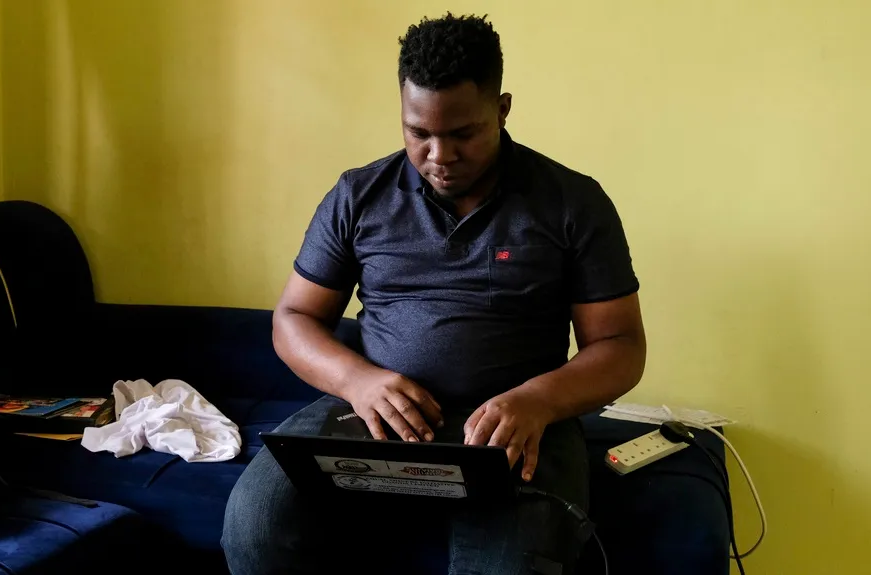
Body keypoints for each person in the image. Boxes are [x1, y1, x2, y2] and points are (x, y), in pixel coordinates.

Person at [222, 13, 646, 575]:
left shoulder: (572, 202)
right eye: (418, 133)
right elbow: (294, 317)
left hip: (515, 425)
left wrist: (538, 402)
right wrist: (357, 381)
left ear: (502, 109)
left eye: (463, 134)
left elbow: (620, 345)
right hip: (373, 411)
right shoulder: (359, 195)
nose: (439, 156)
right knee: (255, 529)